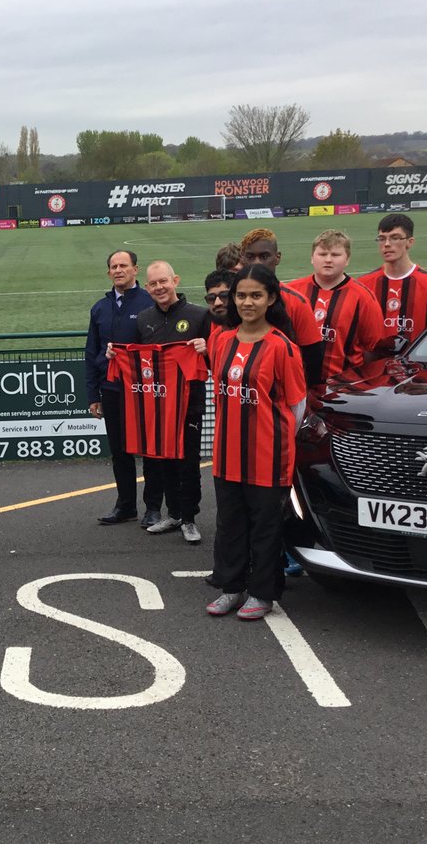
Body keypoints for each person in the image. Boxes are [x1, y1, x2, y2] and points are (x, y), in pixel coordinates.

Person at [206, 265, 306, 621]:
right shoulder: (221, 340)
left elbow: (297, 405)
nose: (247, 302)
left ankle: (263, 593)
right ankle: (231, 587)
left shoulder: (282, 347)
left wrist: (274, 441)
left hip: (267, 456)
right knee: (229, 525)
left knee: (265, 529)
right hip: (226, 453)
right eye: (241, 295)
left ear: (271, 298)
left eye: (255, 295)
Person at [129, 260, 210, 543]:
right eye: (153, 283)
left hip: (190, 405)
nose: (159, 287)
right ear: (147, 287)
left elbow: (217, 360)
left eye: (163, 281)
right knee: (165, 463)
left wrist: (207, 349)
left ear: (175, 280)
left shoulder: (200, 316)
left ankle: (189, 518)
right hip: (158, 405)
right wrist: (117, 355)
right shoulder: (144, 319)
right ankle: (173, 514)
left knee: (188, 463)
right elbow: (138, 359)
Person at [85, 250, 159, 526]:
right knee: (120, 451)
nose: (118, 270)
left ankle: (153, 507)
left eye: (123, 266)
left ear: (135, 270)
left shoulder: (149, 302)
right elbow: (91, 352)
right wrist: (93, 395)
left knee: (150, 451)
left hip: (143, 391)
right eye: (114, 267)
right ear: (109, 273)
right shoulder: (100, 308)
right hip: (112, 390)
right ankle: (125, 505)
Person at [286, 230, 386, 384]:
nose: (328, 260)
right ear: (312, 257)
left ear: (347, 259)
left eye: (335, 255)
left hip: (343, 388)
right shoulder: (292, 291)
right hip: (297, 384)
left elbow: (374, 349)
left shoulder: (364, 297)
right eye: (322, 254)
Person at [237, 228, 324, 385]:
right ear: (242, 259)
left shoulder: (298, 303)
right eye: (250, 257)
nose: (257, 263)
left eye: (264, 256)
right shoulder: (234, 301)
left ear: (277, 258)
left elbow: (312, 359)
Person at [359, 214, 427, 352]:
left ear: (410, 242)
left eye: (395, 238)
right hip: (374, 368)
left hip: (416, 367)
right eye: (382, 239)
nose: (387, 244)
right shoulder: (364, 284)